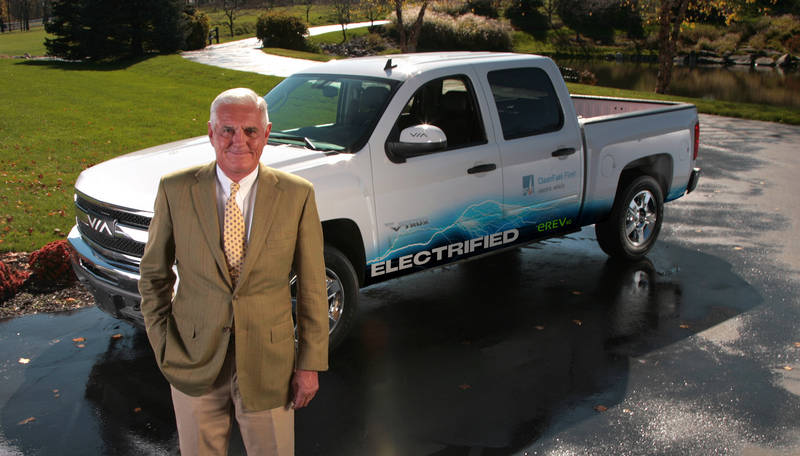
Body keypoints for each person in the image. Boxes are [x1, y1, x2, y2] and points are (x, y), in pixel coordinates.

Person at [139, 87, 329, 455]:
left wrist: (309, 363)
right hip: (192, 359)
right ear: (210, 133)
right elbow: (153, 276)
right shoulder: (175, 190)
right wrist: (163, 344)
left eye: (250, 131)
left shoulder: (297, 195)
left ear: (267, 133)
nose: (237, 140)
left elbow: (311, 286)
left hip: (269, 365)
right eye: (227, 130)